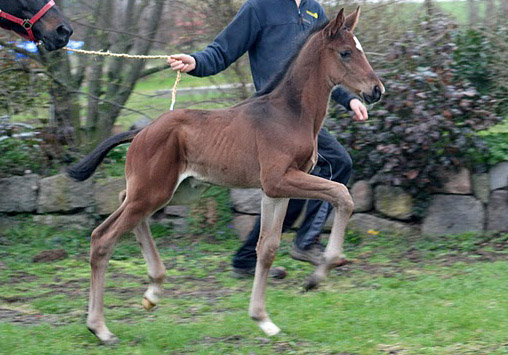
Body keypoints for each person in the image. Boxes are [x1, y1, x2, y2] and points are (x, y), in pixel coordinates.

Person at [168, 0, 369, 278]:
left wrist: (348, 100)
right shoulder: (259, 7)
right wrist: (197, 61)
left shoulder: (314, 10)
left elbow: (326, 65)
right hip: (272, 119)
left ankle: (248, 259)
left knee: (300, 181)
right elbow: (224, 49)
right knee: (333, 164)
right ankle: (304, 243)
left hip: (302, 120)